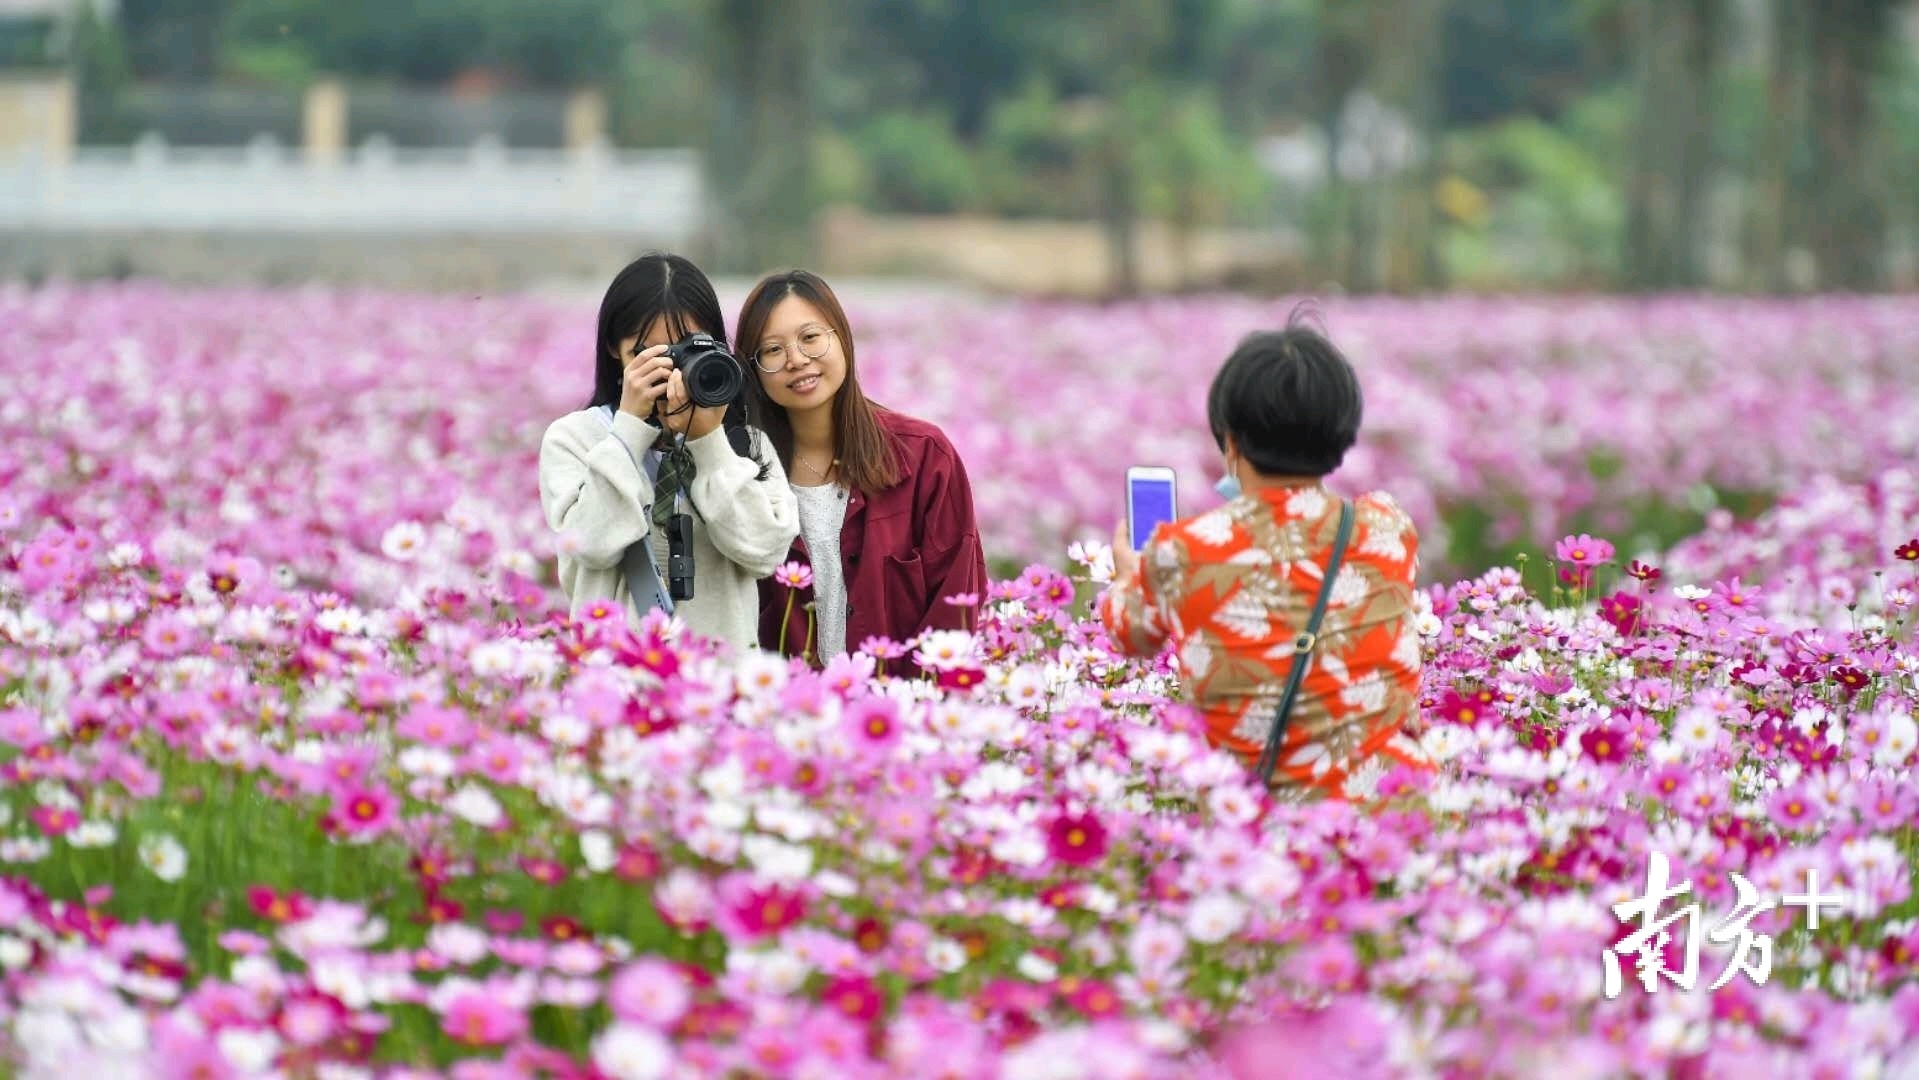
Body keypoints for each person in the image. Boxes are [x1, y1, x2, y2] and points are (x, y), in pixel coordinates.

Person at [1098, 316, 1430, 803]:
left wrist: (1131, 575)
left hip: (1258, 825)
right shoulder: (1387, 526)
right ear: (1341, 438)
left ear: (1230, 441)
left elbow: (1131, 634)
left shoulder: (1183, 550)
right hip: (1397, 809)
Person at [538, 253, 798, 650]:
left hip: (718, 687)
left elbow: (764, 553)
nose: (671, 371)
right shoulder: (575, 440)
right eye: (649, 355)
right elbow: (591, 545)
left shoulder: (745, 445)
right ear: (613, 347)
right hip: (612, 683)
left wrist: (708, 444)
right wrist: (628, 429)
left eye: (684, 350)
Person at [737, 270, 988, 666]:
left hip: (898, 717)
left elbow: (955, 606)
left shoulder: (924, 457)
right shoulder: (744, 475)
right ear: (752, 370)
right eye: (772, 350)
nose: (796, 360)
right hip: (784, 717)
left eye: (810, 337)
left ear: (842, 337)